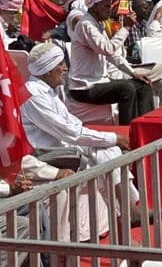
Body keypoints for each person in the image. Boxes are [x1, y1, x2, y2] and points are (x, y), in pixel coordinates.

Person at [20, 43, 136, 240]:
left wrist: (107, 141)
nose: (65, 68)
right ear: (47, 69)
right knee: (106, 153)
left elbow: (73, 124)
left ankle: (126, 214)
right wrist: (113, 138)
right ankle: (123, 223)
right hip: (45, 155)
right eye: (60, 64)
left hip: (63, 147)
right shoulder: (33, 95)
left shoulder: (49, 90)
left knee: (109, 153)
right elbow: (70, 132)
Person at [67, 0, 162, 124]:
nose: (109, 10)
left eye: (110, 6)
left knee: (142, 85)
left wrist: (133, 73)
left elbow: (112, 56)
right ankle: (128, 131)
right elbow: (107, 50)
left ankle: (145, 126)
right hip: (84, 87)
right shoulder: (86, 24)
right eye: (106, 6)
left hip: (99, 82)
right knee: (127, 89)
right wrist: (125, 28)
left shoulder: (97, 25)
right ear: (94, 6)